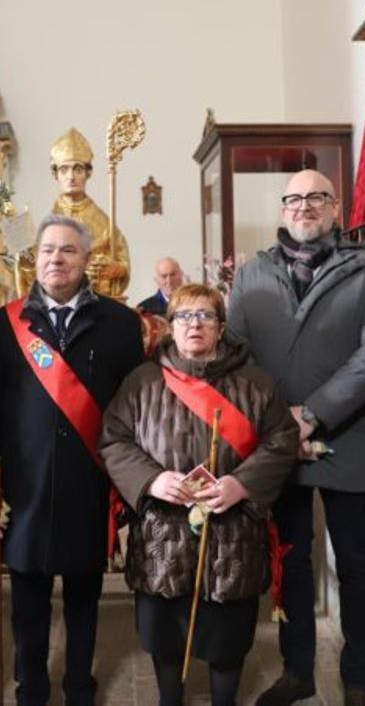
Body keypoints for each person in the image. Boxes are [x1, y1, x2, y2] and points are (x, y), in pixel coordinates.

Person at [227, 169, 365, 706]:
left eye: (316, 197)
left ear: (335, 209)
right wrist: (280, 422)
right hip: (276, 443)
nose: (304, 207)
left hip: (348, 433)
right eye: (294, 199)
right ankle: (297, 672)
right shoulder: (251, 273)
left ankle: (360, 679)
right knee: (290, 560)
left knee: (356, 562)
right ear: (282, 210)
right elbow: (236, 355)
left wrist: (314, 413)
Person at [0, 214, 143, 705]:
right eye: (48, 249)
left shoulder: (120, 324)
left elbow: (135, 410)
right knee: (27, 600)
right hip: (26, 489)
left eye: (68, 250)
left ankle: (79, 686)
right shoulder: (7, 325)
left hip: (89, 482)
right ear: (36, 258)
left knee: (84, 597)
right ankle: (32, 686)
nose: (56, 258)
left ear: (87, 260)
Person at [99, 283, 297, 706]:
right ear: (170, 327)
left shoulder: (256, 383)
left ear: (221, 327)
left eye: (205, 316)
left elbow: (282, 439)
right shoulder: (141, 382)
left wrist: (241, 484)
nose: (195, 324)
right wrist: (152, 480)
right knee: (166, 633)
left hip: (234, 529)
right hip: (163, 530)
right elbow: (114, 440)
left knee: (227, 635)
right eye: (184, 316)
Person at [16, 128, 132, 299]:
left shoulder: (104, 223)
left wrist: (114, 269)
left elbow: (122, 262)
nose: (71, 177)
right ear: (55, 175)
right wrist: (24, 258)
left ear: (88, 173)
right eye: (64, 169)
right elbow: (31, 274)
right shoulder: (47, 227)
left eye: (77, 169)